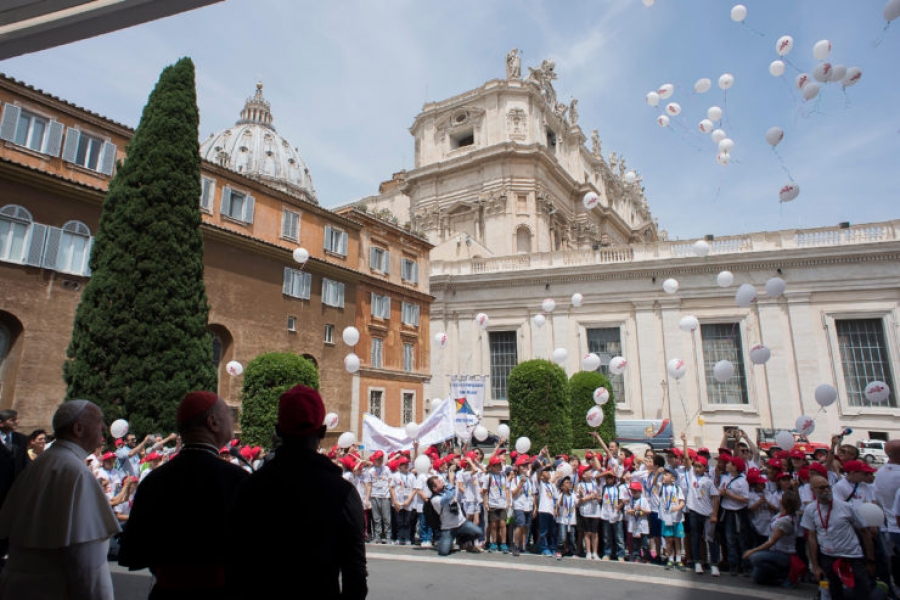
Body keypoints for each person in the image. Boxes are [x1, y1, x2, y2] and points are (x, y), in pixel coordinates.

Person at [227, 384, 367, 598]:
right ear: (322, 431)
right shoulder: (343, 492)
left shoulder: (250, 486)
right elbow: (355, 578)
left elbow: (235, 565)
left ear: (279, 430)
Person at [119, 390, 249, 599]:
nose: (234, 421)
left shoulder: (154, 480)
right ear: (213, 422)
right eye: (229, 416)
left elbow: (134, 552)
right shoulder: (237, 480)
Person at [0, 400, 121, 600]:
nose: (103, 428)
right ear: (78, 428)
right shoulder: (76, 472)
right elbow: (88, 565)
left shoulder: (40, 464)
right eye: (99, 422)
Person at [803, 474, 875, 600]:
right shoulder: (810, 509)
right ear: (813, 490)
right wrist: (815, 566)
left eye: (828, 487)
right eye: (821, 488)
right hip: (828, 557)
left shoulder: (846, 507)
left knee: (862, 592)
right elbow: (812, 537)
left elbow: (864, 531)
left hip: (852, 556)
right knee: (834, 592)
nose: (826, 490)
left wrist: (870, 560)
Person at [743, 490, 803, 587]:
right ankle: (775, 578)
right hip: (775, 551)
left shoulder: (785, 521)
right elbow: (797, 503)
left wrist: (752, 551)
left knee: (754, 557)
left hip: (784, 553)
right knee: (758, 577)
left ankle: (784, 574)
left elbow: (771, 542)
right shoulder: (787, 514)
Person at [427, 474, 483, 556]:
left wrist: (449, 481)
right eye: (438, 482)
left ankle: (462, 539)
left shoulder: (447, 489)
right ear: (434, 488)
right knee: (443, 552)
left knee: (478, 532)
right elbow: (449, 496)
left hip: (461, 523)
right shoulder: (435, 499)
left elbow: (451, 488)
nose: (441, 482)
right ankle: (444, 541)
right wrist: (451, 481)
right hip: (448, 528)